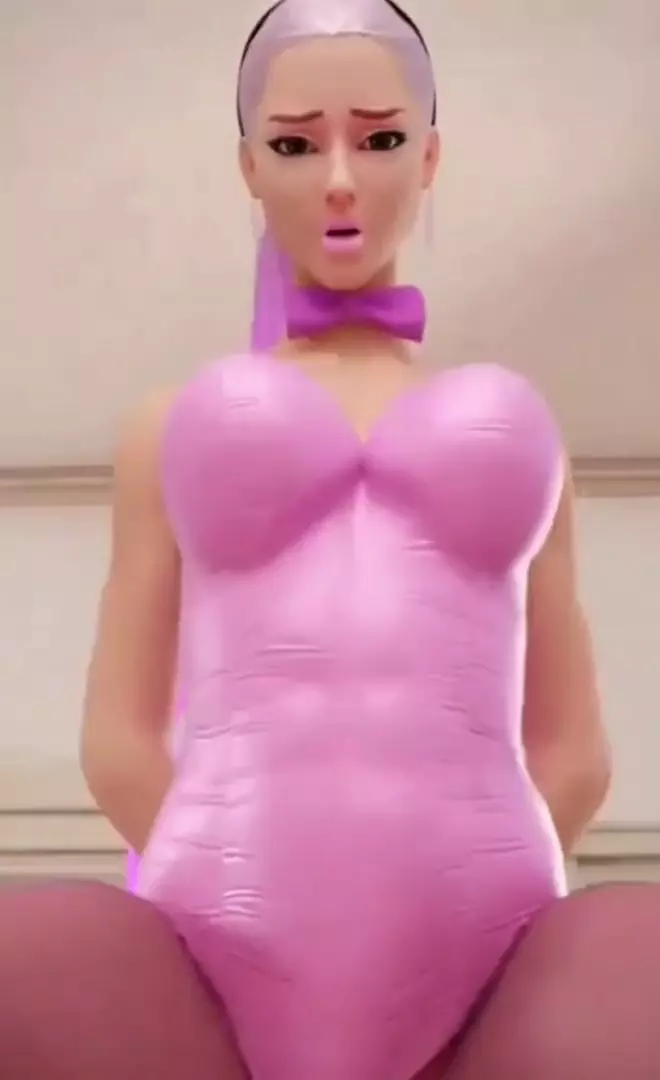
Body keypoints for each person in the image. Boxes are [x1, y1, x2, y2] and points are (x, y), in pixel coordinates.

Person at [5, 2, 659, 1078]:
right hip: (220, 944)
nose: (341, 180)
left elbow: (575, 747)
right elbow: (117, 736)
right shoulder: (169, 429)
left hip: (488, 949)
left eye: (382, 137)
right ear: (249, 167)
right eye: (297, 145)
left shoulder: (520, 432)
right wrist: (244, 882)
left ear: (431, 155)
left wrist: (461, 892)